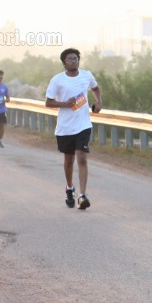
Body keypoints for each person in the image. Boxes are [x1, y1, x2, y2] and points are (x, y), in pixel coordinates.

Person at [45, 49, 102, 210]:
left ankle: (82, 196)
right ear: (64, 63)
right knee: (69, 160)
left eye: (75, 58)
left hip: (83, 124)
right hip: (65, 127)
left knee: (82, 157)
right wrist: (65, 104)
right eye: (70, 59)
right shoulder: (57, 80)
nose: (73, 61)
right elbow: (48, 102)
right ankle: (70, 187)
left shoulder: (86, 75)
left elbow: (96, 88)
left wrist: (99, 102)